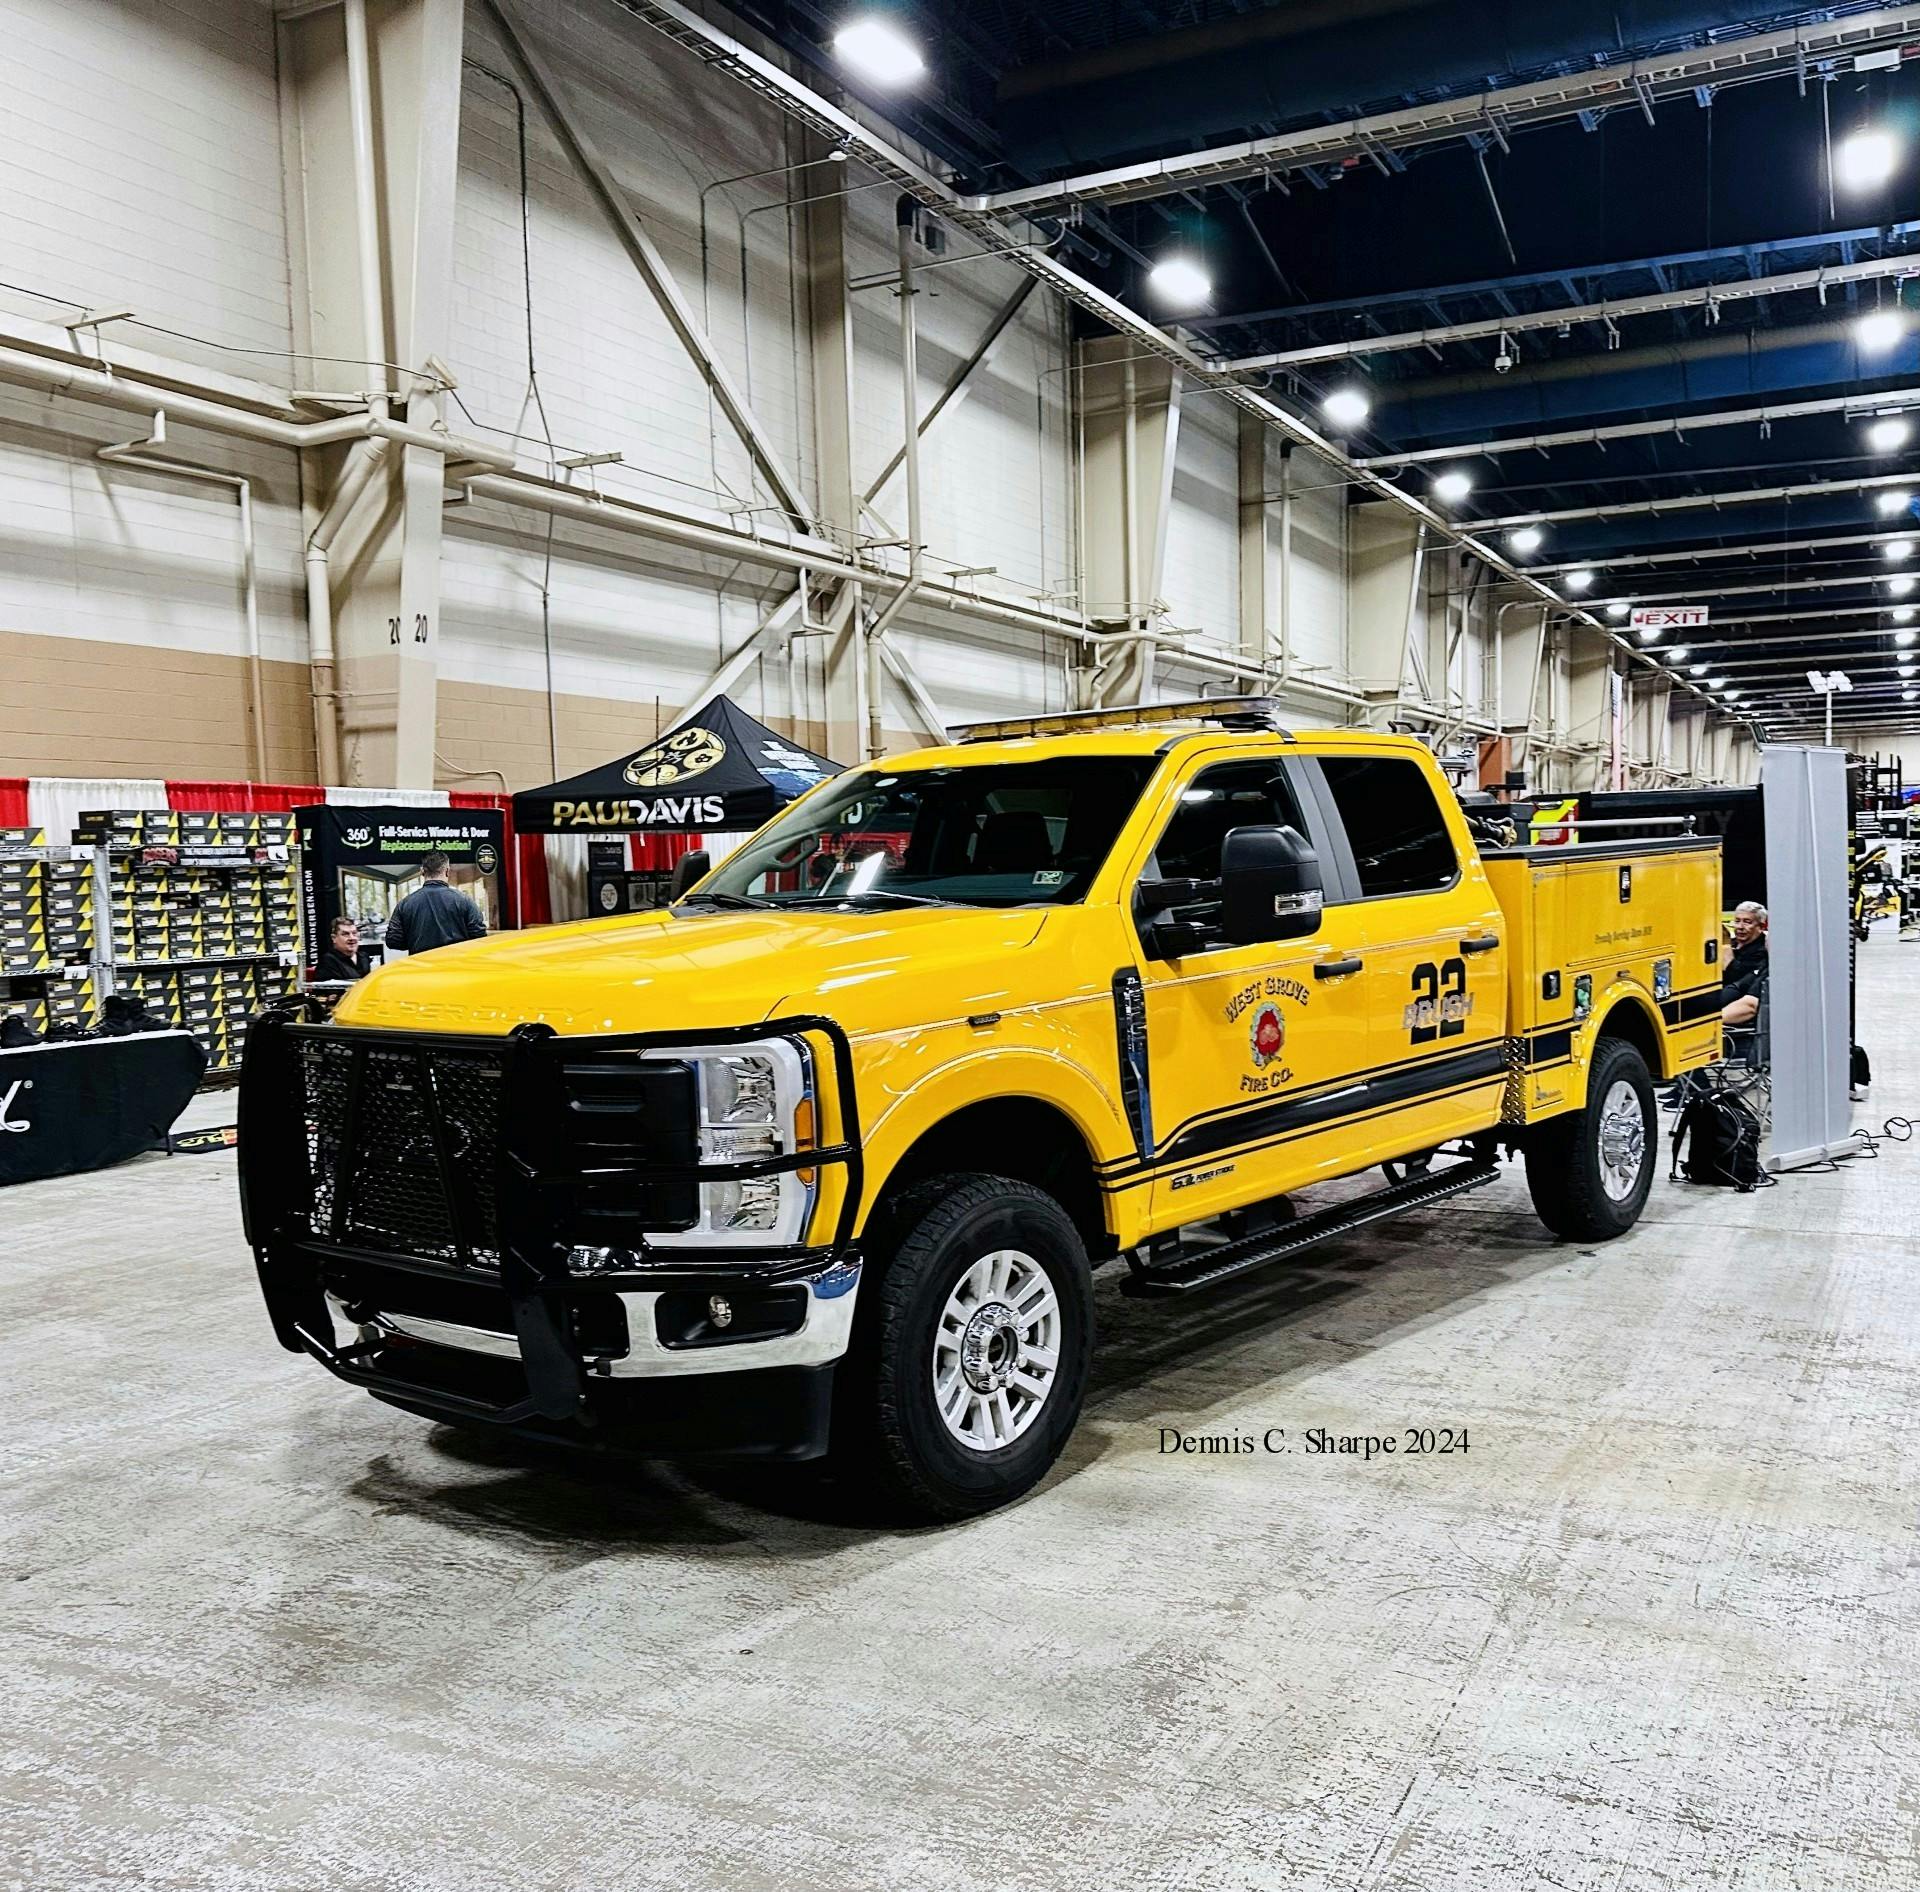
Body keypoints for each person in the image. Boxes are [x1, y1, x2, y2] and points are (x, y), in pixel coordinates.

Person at [384, 851, 488, 955]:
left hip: (420, 968)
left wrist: (414, 941)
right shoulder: (465, 901)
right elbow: (479, 937)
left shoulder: (404, 904)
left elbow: (393, 940)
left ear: (422, 871)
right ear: (447, 871)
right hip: (456, 967)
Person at [1721, 900, 1768, 1026]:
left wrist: (1728, 956)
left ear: (1761, 926)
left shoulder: (1763, 952)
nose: (1740, 927)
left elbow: (1738, 980)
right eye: (1737, 921)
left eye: (1747, 922)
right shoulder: (1731, 943)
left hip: (1736, 1017)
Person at [315, 915, 373, 984]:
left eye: (354, 933)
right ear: (334, 938)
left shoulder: (364, 957)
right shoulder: (328, 961)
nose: (352, 938)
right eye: (345, 934)